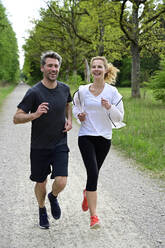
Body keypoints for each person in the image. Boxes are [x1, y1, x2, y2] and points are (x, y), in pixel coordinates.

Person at [13, 51, 72, 229]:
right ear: (42, 68)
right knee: (41, 182)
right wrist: (35, 114)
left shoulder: (64, 88)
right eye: (50, 65)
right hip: (39, 146)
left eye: (56, 66)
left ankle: (53, 197)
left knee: (61, 181)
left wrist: (69, 119)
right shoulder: (34, 92)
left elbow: (67, 104)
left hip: (60, 143)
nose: (53, 69)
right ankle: (41, 209)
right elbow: (16, 118)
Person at [72, 56, 124, 229]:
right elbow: (75, 106)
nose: (96, 69)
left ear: (105, 70)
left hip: (104, 138)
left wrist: (109, 107)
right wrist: (79, 115)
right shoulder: (82, 90)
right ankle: (94, 217)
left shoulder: (112, 93)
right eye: (93, 66)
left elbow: (120, 117)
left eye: (99, 67)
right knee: (93, 173)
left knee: (93, 174)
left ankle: (87, 192)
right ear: (91, 70)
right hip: (86, 136)